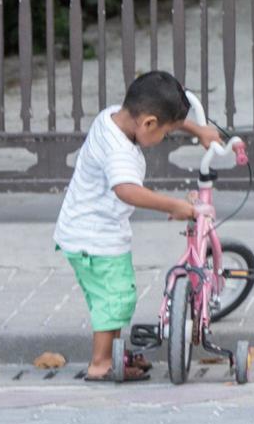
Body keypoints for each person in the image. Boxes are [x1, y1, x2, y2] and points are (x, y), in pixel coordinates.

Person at [53, 71, 223, 382]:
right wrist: (178, 206)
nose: (164, 139)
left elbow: (159, 115)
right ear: (148, 124)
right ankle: (101, 364)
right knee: (116, 297)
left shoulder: (113, 118)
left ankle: (115, 352)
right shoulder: (120, 153)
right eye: (166, 134)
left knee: (110, 298)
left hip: (81, 230)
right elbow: (127, 190)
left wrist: (196, 129)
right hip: (95, 239)